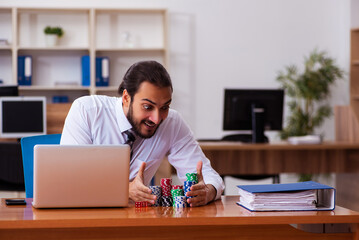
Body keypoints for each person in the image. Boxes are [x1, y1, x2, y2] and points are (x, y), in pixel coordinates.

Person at [60, 60, 224, 207]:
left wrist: (208, 191)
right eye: (147, 107)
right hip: (84, 214)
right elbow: (71, 180)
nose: (156, 118)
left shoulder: (172, 123)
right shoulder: (87, 111)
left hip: (135, 218)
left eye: (164, 107)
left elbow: (209, 176)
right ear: (126, 98)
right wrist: (123, 189)